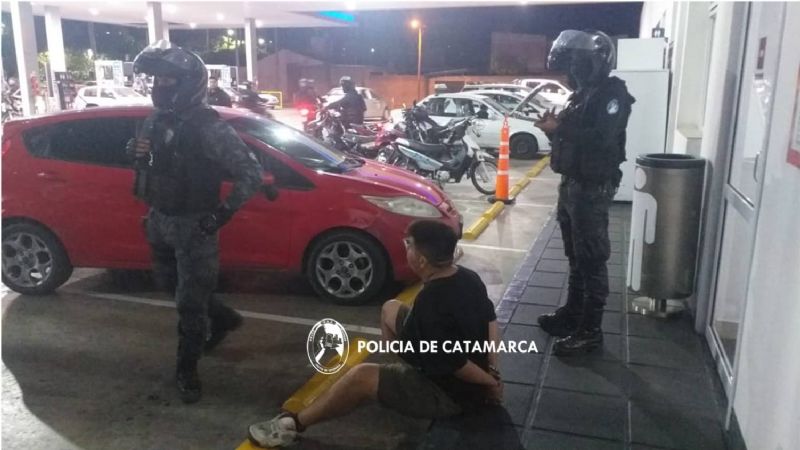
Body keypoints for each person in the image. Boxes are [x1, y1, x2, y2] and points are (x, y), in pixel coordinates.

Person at [247, 220, 503, 448]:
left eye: (409, 244)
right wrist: (492, 367)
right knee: (391, 309)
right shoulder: (468, 277)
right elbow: (491, 321)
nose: (407, 248)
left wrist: (490, 384)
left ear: (422, 260)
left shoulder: (430, 302)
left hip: (449, 394)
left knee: (361, 376)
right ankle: (400, 375)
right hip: (461, 364)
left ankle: (292, 425)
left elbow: (454, 363)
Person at [127, 40, 266, 403]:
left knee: (189, 303)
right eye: (157, 79)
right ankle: (221, 318)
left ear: (189, 83)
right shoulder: (155, 119)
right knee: (170, 285)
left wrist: (220, 215)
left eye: (169, 80)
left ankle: (186, 369)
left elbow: (251, 172)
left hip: (194, 226)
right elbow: (152, 165)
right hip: (159, 218)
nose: (160, 86)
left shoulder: (209, 128)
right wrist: (137, 154)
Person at [534, 30, 635, 356]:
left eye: (579, 62)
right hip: (573, 185)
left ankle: (591, 332)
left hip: (592, 188)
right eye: (571, 63)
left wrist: (560, 128)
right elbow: (572, 141)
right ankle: (573, 315)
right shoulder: (582, 94)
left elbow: (601, 138)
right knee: (575, 256)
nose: (574, 69)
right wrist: (554, 131)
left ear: (596, 61)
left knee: (592, 258)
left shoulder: (611, 94)